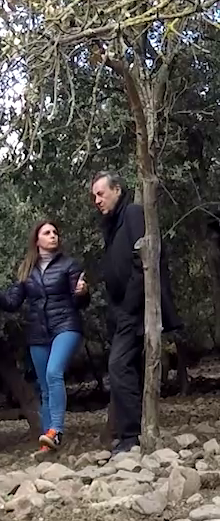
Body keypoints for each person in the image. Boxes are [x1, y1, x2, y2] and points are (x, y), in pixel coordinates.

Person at [0, 218, 89, 454]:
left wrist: (83, 292)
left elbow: (80, 303)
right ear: (37, 240)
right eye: (47, 232)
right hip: (38, 333)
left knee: (53, 372)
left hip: (66, 326)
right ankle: (48, 443)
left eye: (55, 232)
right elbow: (13, 303)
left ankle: (55, 431)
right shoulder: (27, 271)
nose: (53, 236)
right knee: (44, 387)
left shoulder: (69, 265)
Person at [90, 171, 182, 454]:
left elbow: (143, 259)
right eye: (94, 196)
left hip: (139, 307)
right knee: (126, 367)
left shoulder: (132, 213)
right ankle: (132, 433)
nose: (96, 201)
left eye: (100, 194)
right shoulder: (113, 224)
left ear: (117, 190)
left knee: (118, 366)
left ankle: (130, 437)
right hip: (125, 310)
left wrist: (129, 305)